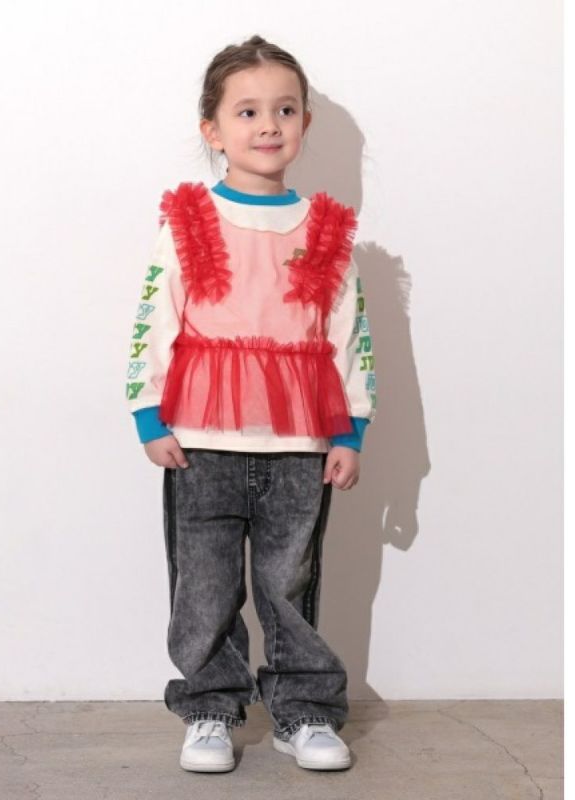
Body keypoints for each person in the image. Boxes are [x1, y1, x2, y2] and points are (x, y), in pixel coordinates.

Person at [125, 34, 376, 773]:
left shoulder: (326, 230)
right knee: (203, 586)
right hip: (199, 442)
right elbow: (154, 319)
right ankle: (209, 707)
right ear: (213, 129)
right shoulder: (188, 221)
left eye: (285, 110)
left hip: (299, 446)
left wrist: (351, 430)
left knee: (290, 584)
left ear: (304, 124)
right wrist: (148, 414)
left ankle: (304, 712)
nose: (269, 124)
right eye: (248, 111)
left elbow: (350, 334)